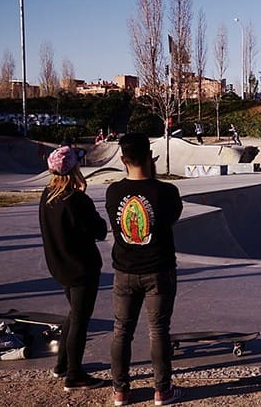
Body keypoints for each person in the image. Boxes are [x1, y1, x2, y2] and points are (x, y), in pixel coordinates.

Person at [105, 133, 184, 406]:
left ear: (122, 159)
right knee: (159, 330)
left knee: (121, 331)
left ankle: (120, 390)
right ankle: (162, 391)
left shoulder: (112, 192)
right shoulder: (167, 192)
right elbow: (170, 221)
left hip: (124, 272)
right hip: (158, 270)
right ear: (151, 157)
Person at [38, 146, 107, 392]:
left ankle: (62, 365)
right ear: (73, 169)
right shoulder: (76, 199)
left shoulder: (47, 195)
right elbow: (99, 230)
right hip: (82, 269)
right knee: (80, 319)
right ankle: (74, 375)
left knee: (74, 313)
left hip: (59, 266)